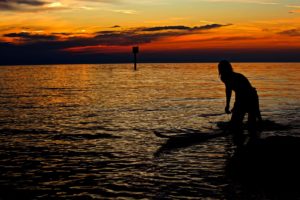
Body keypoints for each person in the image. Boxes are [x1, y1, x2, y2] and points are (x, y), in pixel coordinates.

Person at [218, 60, 262, 138]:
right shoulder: (224, 77)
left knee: (252, 122)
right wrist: (228, 105)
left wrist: (233, 105)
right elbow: (228, 90)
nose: (221, 70)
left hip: (251, 96)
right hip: (242, 97)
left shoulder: (234, 76)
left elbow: (239, 91)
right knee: (236, 123)